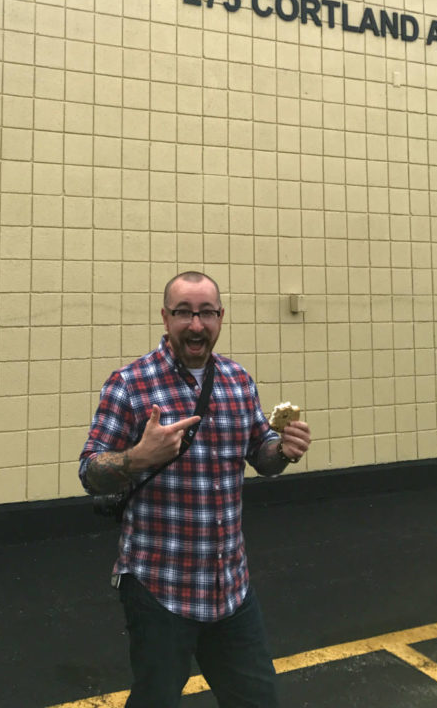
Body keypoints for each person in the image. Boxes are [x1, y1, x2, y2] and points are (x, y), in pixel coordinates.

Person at [79, 270, 311, 708]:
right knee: (156, 699)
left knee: (258, 700)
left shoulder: (237, 381)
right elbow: (90, 471)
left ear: (220, 318)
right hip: (160, 586)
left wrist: (284, 449)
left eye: (206, 312)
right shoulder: (130, 385)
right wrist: (136, 458)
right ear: (165, 318)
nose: (196, 324)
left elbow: (261, 453)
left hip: (231, 586)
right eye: (184, 312)